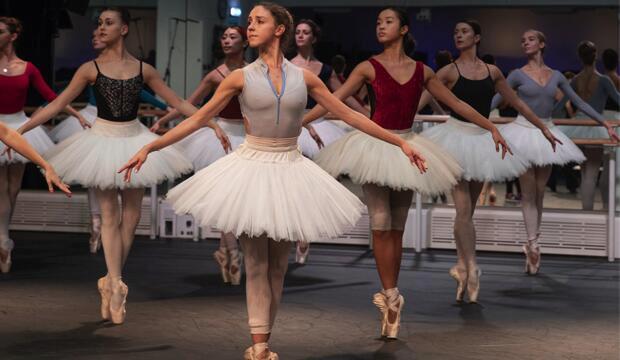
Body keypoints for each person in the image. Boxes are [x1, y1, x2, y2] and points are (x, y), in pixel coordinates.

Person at [119, 3, 427, 358]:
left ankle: (265, 337)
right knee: (257, 263)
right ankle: (259, 347)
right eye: (249, 21)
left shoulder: (306, 78)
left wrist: (401, 142)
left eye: (258, 21)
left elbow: (351, 116)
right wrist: (151, 147)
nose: (250, 26)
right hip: (252, 166)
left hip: (290, 168)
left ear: (279, 29)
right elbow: (199, 117)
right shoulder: (240, 77)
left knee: (279, 266)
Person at [15, 7, 230, 325]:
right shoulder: (90, 68)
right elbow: (58, 104)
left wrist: (209, 122)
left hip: (134, 140)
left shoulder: (145, 70)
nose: (101, 28)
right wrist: (18, 132)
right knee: (110, 215)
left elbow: (177, 101)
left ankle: (111, 278)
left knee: (131, 217)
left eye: (108, 23)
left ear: (124, 29)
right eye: (99, 23)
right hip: (101, 141)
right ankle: (116, 285)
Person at [304, 7, 508, 336]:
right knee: (381, 222)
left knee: (396, 227)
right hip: (374, 146)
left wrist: (492, 128)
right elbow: (333, 99)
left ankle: (392, 296)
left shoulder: (423, 71)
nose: (380, 26)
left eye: (388, 21)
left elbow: (458, 105)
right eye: (377, 22)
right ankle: (391, 296)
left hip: (408, 148)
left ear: (403, 29)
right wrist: (298, 123)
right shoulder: (367, 67)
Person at [420, 20, 559, 302]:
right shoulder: (447, 71)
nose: (458, 35)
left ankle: (463, 266)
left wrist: (543, 127)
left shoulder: (492, 71)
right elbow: (419, 100)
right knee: (461, 210)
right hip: (455, 140)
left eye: (464, 31)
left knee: (467, 212)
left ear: (477, 37)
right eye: (455, 32)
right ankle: (471, 267)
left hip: (482, 142)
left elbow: (518, 104)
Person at [491, 29, 619, 274]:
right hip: (523, 132)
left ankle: (532, 243)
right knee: (528, 192)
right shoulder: (517, 75)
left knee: (539, 192)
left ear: (541, 44)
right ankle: (533, 244)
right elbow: (497, 100)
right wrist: (468, 117)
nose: (524, 42)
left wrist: (604, 123)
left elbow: (579, 102)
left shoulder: (557, 75)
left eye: (529, 39)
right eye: (523, 40)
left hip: (547, 133)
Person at [0, 16, 85, 273]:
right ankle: (3, 240)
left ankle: (4, 235)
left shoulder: (28, 68)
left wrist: (77, 114)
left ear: (13, 36)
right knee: (0, 188)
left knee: (13, 188)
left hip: (20, 126)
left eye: (1, 31)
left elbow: (51, 96)